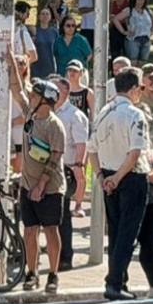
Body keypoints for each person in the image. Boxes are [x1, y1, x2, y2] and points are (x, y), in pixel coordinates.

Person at [87, 65, 153, 301]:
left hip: (108, 174)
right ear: (134, 88)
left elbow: (91, 149)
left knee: (116, 232)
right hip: (131, 176)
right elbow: (135, 152)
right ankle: (114, 282)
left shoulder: (103, 112)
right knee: (127, 233)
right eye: (141, 88)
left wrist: (102, 177)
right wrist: (116, 177)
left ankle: (119, 278)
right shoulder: (135, 115)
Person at [7, 50, 66, 295]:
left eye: (34, 95)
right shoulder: (30, 116)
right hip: (27, 185)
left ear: (44, 100)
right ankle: (31, 272)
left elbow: (55, 159)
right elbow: (16, 89)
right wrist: (11, 58)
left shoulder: (55, 126)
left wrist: (41, 185)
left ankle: (53, 274)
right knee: (29, 231)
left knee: (51, 230)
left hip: (50, 187)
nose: (29, 97)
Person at [52, 75, 88, 270]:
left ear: (65, 93)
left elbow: (81, 144)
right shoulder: (46, 111)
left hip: (66, 169)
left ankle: (66, 256)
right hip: (48, 168)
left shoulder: (75, 115)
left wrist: (78, 168)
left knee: (62, 214)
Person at [116, 0, 153, 65]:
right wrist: (124, 31)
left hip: (146, 40)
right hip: (133, 40)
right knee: (132, 63)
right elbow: (116, 19)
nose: (140, 1)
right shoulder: (129, 10)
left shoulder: (147, 10)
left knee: (143, 64)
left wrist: (152, 31)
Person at [32, 6, 58, 81]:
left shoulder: (54, 32)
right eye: (43, 14)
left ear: (50, 17)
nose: (45, 16)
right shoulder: (34, 31)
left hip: (51, 66)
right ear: (39, 16)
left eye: (47, 14)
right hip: (36, 67)